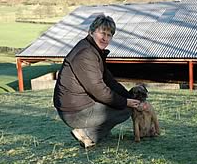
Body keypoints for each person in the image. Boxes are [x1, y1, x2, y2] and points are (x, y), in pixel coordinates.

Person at [53, 14, 140, 148]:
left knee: (121, 103)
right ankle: (88, 135)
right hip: (74, 112)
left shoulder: (93, 51)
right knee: (124, 109)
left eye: (109, 35)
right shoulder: (86, 54)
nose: (105, 38)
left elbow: (109, 81)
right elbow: (99, 90)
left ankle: (97, 131)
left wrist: (129, 96)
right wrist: (126, 102)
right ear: (91, 32)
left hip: (77, 105)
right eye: (102, 33)